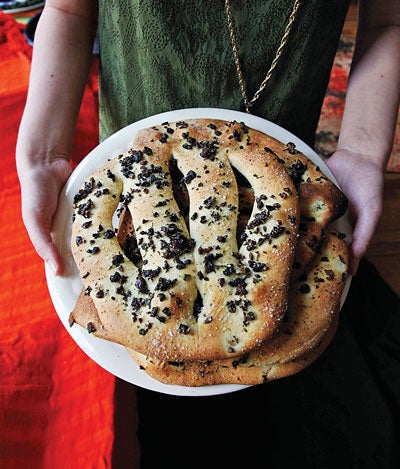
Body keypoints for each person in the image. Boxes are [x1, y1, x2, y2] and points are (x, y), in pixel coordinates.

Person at [15, 1, 400, 467]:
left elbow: (388, 19)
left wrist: (360, 149)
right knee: (172, 423)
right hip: (135, 174)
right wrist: (42, 152)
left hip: (275, 166)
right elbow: (67, 11)